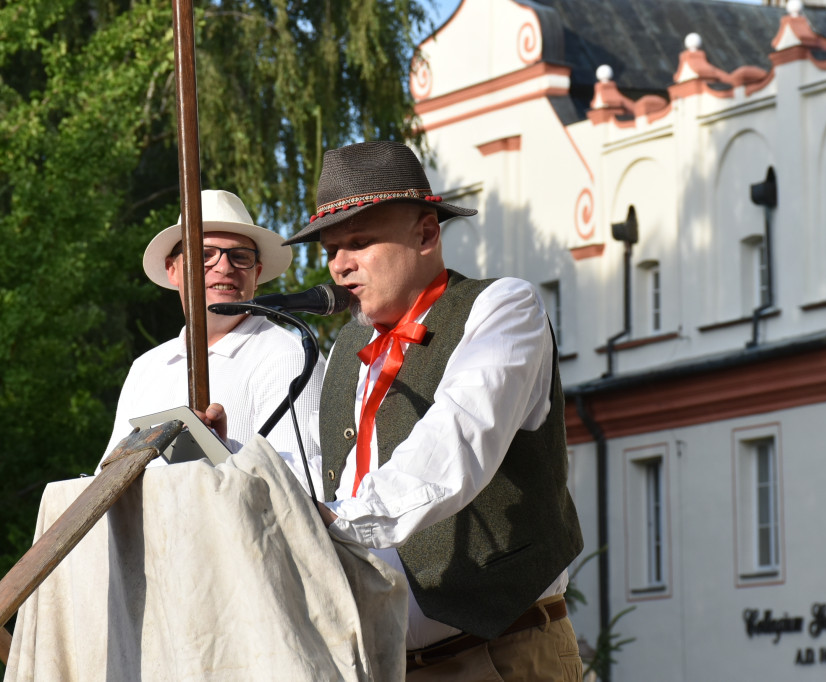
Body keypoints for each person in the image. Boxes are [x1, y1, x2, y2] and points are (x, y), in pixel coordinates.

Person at [282, 141, 585, 680]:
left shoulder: (502, 308)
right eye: (331, 250)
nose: (340, 267)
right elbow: (306, 470)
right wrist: (229, 456)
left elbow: (454, 447)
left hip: (502, 655)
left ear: (426, 234)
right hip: (385, 666)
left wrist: (336, 521)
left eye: (359, 242)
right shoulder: (344, 358)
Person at [99, 189, 326, 499]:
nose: (224, 267)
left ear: (256, 274)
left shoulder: (287, 357)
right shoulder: (146, 367)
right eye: (204, 254)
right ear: (173, 269)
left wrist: (225, 454)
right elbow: (107, 477)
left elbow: (300, 487)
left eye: (240, 256)